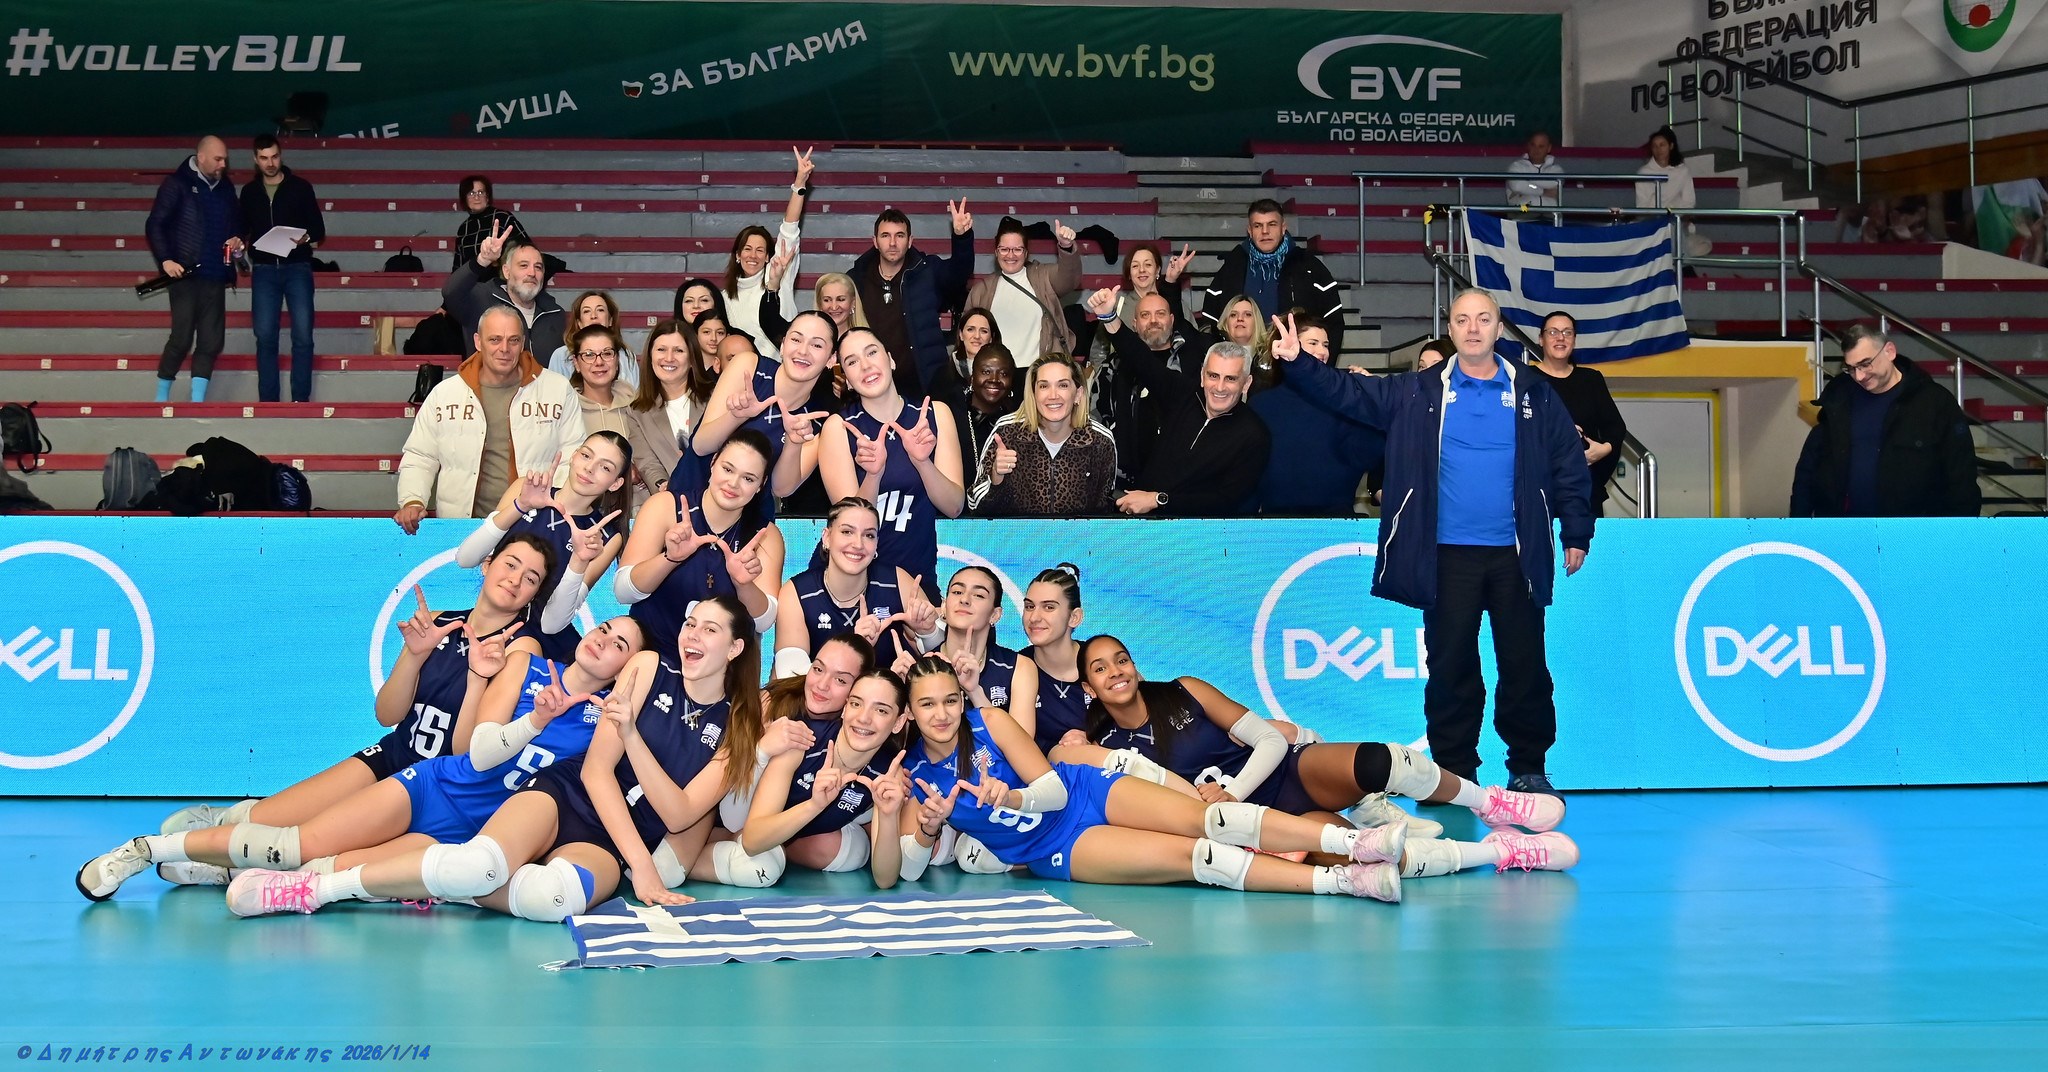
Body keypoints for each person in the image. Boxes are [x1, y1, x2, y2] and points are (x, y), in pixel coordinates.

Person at [225, 596, 767, 921]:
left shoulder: (741, 727)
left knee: (553, 899)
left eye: (710, 629)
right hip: (566, 797)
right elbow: (597, 771)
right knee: (476, 864)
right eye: (691, 624)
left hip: (610, 842)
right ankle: (316, 889)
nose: (693, 635)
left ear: (736, 648)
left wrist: (633, 739)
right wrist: (644, 872)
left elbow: (678, 813)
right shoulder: (647, 666)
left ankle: (440, 886)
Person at [76, 534, 557, 899]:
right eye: (510, 564)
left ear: (534, 595)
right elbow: (387, 713)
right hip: (395, 755)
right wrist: (413, 656)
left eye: (531, 578)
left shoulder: (521, 650)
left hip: (439, 784)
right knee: (267, 820)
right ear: (488, 564)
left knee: (311, 854)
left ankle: (218, 864)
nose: (515, 580)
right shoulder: (440, 622)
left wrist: (477, 676)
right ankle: (217, 830)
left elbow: (468, 752)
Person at [1269, 292, 1593, 798]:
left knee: (1525, 664)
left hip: (1516, 556)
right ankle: (1455, 771)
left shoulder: (1533, 391)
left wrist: (1576, 529)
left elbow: (1568, 462)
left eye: (1483, 319)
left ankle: (1528, 767)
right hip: (1445, 556)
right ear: (1451, 327)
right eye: (1462, 319)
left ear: (1499, 328)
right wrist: (1299, 362)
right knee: (1450, 667)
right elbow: (1347, 392)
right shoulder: (1417, 390)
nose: (1473, 328)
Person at [79, 617, 644, 900]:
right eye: (604, 627)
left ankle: (225, 870)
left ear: (627, 669)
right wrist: (535, 721)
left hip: (468, 832)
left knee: (331, 871)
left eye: (620, 644)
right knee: (297, 843)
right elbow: (477, 751)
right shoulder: (529, 665)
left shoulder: (605, 723)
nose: (604, 639)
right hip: (435, 784)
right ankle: (145, 849)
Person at [886, 655, 1409, 900]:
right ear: (909, 713)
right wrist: (928, 828)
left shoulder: (990, 722)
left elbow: (1051, 790)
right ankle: (1343, 882)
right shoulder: (915, 774)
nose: (942, 714)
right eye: (927, 705)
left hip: (1083, 792)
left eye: (950, 701)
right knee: (1197, 858)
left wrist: (1013, 797)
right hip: (1055, 849)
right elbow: (904, 874)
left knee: (1210, 819)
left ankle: (1354, 842)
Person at [1076, 637, 1585, 878]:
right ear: (1088, 687)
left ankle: (1490, 802)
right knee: (1373, 857)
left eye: (1122, 659)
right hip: (1263, 824)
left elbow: (1271, 741)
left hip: (1284, 774)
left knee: (1383, 761)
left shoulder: (1183, 691)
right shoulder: (1107, 749)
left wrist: (1231, 792)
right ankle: (1502, 851)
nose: (1116, 671)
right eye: (1100, 668)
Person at [394, 306, 586, 530]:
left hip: (535, 525)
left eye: (513, 340)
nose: (504, 349)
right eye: (495, 339)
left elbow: (572, 456)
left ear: (523, 343)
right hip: (463, 525)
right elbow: (420, 456)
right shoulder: (445, 394)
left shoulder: (557, 389)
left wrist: (555, 507)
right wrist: (412, 500)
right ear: (478, 341)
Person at [1091, 289, 1270, 518]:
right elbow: (1142, 360)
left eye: (1231, 379)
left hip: (1198, 531)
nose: (1220, 387)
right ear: (1202, 376)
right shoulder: (1185, 394)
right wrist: (1109, 317)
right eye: (1213, 376)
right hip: (1145, 522)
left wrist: (1159, 500)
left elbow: (1227, 500)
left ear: (1246, 383)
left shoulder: (1254, 434)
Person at [464, 431, 631, 664]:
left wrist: (579, 560)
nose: (589, 468)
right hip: (491, 624)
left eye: (605, 467)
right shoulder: (526, 489)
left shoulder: (605, 535)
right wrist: (520, 505)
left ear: (616, 483)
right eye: (586, 455)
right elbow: (466, 559)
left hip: (546, 646)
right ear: (573, 456)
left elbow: (552, 624)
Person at [818, 329, 965, 585]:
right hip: (856, 580)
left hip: (918, 579)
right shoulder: (839, 427)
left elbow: (953, 507)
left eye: (872, 353)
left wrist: (922, 462)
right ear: (847, 380)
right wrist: (873, 475)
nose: (865, 366)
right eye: (852, 362)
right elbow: (849, 525)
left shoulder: (935, 414)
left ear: (890, 360)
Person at [616, 429, 785, 653]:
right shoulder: (665, 505)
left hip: (717, 664)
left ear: (761, 485)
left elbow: (764, 622)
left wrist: (744, 585)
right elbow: (623, 592)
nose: (733, 483)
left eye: (748, 478)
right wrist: (669, 559)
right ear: (713, 464)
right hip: (651, 654)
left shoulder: (765, 535)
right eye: (727, 469)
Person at [738, 668, 913, 882]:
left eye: (881, 711)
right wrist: (814, 805)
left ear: (898, 722)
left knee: (852, 853)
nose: (864, 718)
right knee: (760, 869)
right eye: (856, 704)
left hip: (797, 840)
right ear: (844, 708)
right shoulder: (802, 741)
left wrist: (888, 816)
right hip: (735, 823)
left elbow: (885, 879)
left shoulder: (889, 773)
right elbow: (751, 841)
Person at [1790, 324, 1980, 517]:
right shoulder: (1838, 399)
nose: (1859, 376)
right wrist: (1799, 523)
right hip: (1843, 528)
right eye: (1851, 368)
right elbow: (1809, 469)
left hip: (1913, 529)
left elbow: (1961, 475)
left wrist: (1960, 530)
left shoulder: (1934, 402)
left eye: (1865, 364)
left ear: (1889, 351)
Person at [687, 309, 843, 507]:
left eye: (817, 345)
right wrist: (737, 416)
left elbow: (781, 489)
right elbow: (700, 445)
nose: (803, 351)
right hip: (690, 497)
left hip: (749, 516)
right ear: (783, 345)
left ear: (831, 359)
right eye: (796, 340)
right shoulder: (749, 367)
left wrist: (794, 444)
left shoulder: (817, 418)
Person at [775, 497, 940, 678]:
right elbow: (789, 676)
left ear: (877, 543)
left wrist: (927, 633)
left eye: (869, 535)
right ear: (827, 537)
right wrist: (855, 647)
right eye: (847, 532)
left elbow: (941, 656)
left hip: (890, 695)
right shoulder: (797, 593)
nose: (858, 544)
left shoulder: (897, 581)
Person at [1249, 312, 1382, 515]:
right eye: (1313, 343)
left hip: (1337, 524)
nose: (1322, 351)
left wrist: (1369, 399)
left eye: (1326, 345)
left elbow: (1370, 455)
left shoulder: (1345, 402)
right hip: (1276, 524)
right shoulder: (1261, 405)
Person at [146, 135, 241, 403]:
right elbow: (155, 224)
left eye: (225, 159)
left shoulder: (226, 188)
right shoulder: (176, 184)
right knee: (182, 337)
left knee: (211, 341)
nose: (223, 164)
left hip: (216, 274)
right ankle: (161, 396)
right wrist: (166, 260)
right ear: (201, 157)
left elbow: (236, 224)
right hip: (184, 274)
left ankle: (197, 401)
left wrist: (237, 241)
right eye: (218, 159)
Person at [848, 203, 977, 397]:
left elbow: (959, 273)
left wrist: (962, 237)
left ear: (910, 241)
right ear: (875, 241)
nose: (893, 243)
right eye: (885, 236)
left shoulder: (927, 270)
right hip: (873, 383)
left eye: (900, 236)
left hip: (925, 384)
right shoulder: (857, 278)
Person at [972, 353, 1118, 517]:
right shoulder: (1007, 432)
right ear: (1033, 394)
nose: (1053, 395)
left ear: (1078, 394)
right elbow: (974, 506)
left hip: (1077, 534)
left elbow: (1104, 514)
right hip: (1017, 534)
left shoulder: (1100, 441)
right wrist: (995, 477)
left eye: (1063, 385)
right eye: (1044, 386)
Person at [239, 134, 325, 403]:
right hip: (264, 269)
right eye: (264, 158)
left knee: (303, 335)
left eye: (274, 156)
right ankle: (268, 402)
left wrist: (305, 237)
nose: (270, 163)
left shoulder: (301, 187)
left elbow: (318, 229)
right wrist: (237, 241)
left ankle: (300, 400)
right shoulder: (249, 192)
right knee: (265, 336)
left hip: (297, 267)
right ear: (255, 159)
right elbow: (242, 229)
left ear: (281, 156)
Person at [1200, 199, 1345, 354]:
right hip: (1241, 363)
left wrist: (1322, 366)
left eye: (1272, 224)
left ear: (1283, 228)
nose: (1265, 231)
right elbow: (1209, 322)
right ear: (1249, 230)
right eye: (1258, 225)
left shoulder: (1310, 267)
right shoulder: (1232, 267)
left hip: (1295, 364)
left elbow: (1334, 323)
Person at [1528, 312, 1627, 516]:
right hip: (1539, 489)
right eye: (1553, 332)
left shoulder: (1591, 379)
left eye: (1567, 332)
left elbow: (1615, 427)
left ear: (1574, 340)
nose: (1560, 338)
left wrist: (1602, 450)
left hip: (1584, 488)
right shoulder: (1526, 379)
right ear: (1541, 339)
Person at [722, 147, 816, 354]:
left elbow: (789, 228)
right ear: (737, 255)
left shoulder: (779, 275)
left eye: (759, 250)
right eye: (747, 249)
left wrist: (799, 184)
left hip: (787, 368)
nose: (752, 256)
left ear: (767, 257)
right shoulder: (724, 298)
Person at [965, 218, 1083, 363]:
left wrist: (1066, 247)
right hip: (996, 371)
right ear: (996, 252)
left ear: (1026, 253)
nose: (1010, 255)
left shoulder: (1043, 277)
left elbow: (1070, 279)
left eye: (1017, 249)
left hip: (1039, 371)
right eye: (1004, 249)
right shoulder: (981, 290)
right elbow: (966, 335)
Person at [621, 319, 706, 504]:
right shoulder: (636, 411)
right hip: (665, 500)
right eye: (661, 349)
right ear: (650, 356)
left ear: (692, 359)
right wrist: (663, 486)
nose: (669, 358)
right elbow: (647, 462)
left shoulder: (714, 399)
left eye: (679, 350)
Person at [442, 221, 564, 348]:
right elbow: (450, 293)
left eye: (538, 267)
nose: (532, 273)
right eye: (523, 265)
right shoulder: (481, 300)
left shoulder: (555, 314)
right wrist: (482, 260)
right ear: (506, 271)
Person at [940, 341, 1016, 503]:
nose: (994, 379)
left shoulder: (1017, 421)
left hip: (1003, 511)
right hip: (956, 510)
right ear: (972, 378)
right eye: (986, 372)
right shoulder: (951, 415)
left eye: (1003, 374)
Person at [547, 291, 639, 391]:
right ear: (579, 323)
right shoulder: (560, 355)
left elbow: (636, 396)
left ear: (610, 320)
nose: (594, 316)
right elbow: (554, 394)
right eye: (586, 311)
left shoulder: (627, 356)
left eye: (600, 310)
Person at [566, 325, 632, 441]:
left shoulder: (636, 407)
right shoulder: (568, 412)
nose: (599, 362)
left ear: (617, 360)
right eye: (589, 355)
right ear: (576, 363)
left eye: (607, 353)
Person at [452, 174, 530, 271]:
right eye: (471, 193)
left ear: (487, 197)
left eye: (481, 192)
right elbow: (458, 267)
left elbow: (527, 249)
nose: (476, 197)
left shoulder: (503, 217)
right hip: (473, 280)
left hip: (502, 277)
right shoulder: (463, 229)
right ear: (465, 199)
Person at [1506, 131, 1563, 209]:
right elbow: (1517, 186)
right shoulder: (1516, 166)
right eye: (1533, 145)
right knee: (1524, 210)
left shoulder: (1556, 169)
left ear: (1549, 148)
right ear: (1528, 146)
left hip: (1550, 213)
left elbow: (1554, 183)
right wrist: (1543, 191)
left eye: (1541, 146)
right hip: (1523, 211)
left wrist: (1526, 181)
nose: (1536, 150)